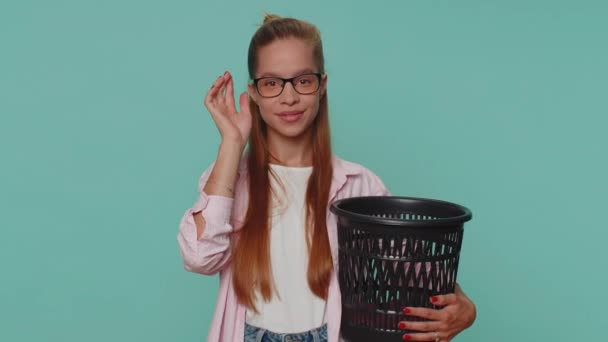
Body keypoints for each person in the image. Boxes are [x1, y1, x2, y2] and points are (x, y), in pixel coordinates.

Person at [177, 13, 476, 342]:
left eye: (303, 80)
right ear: (255, 93)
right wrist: (233, 144)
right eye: (272, 83)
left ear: (322, 86)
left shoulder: (361, 185)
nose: (288, 97)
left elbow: (410, 269)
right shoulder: (229, 178)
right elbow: (199, 257)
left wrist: (462, 306)